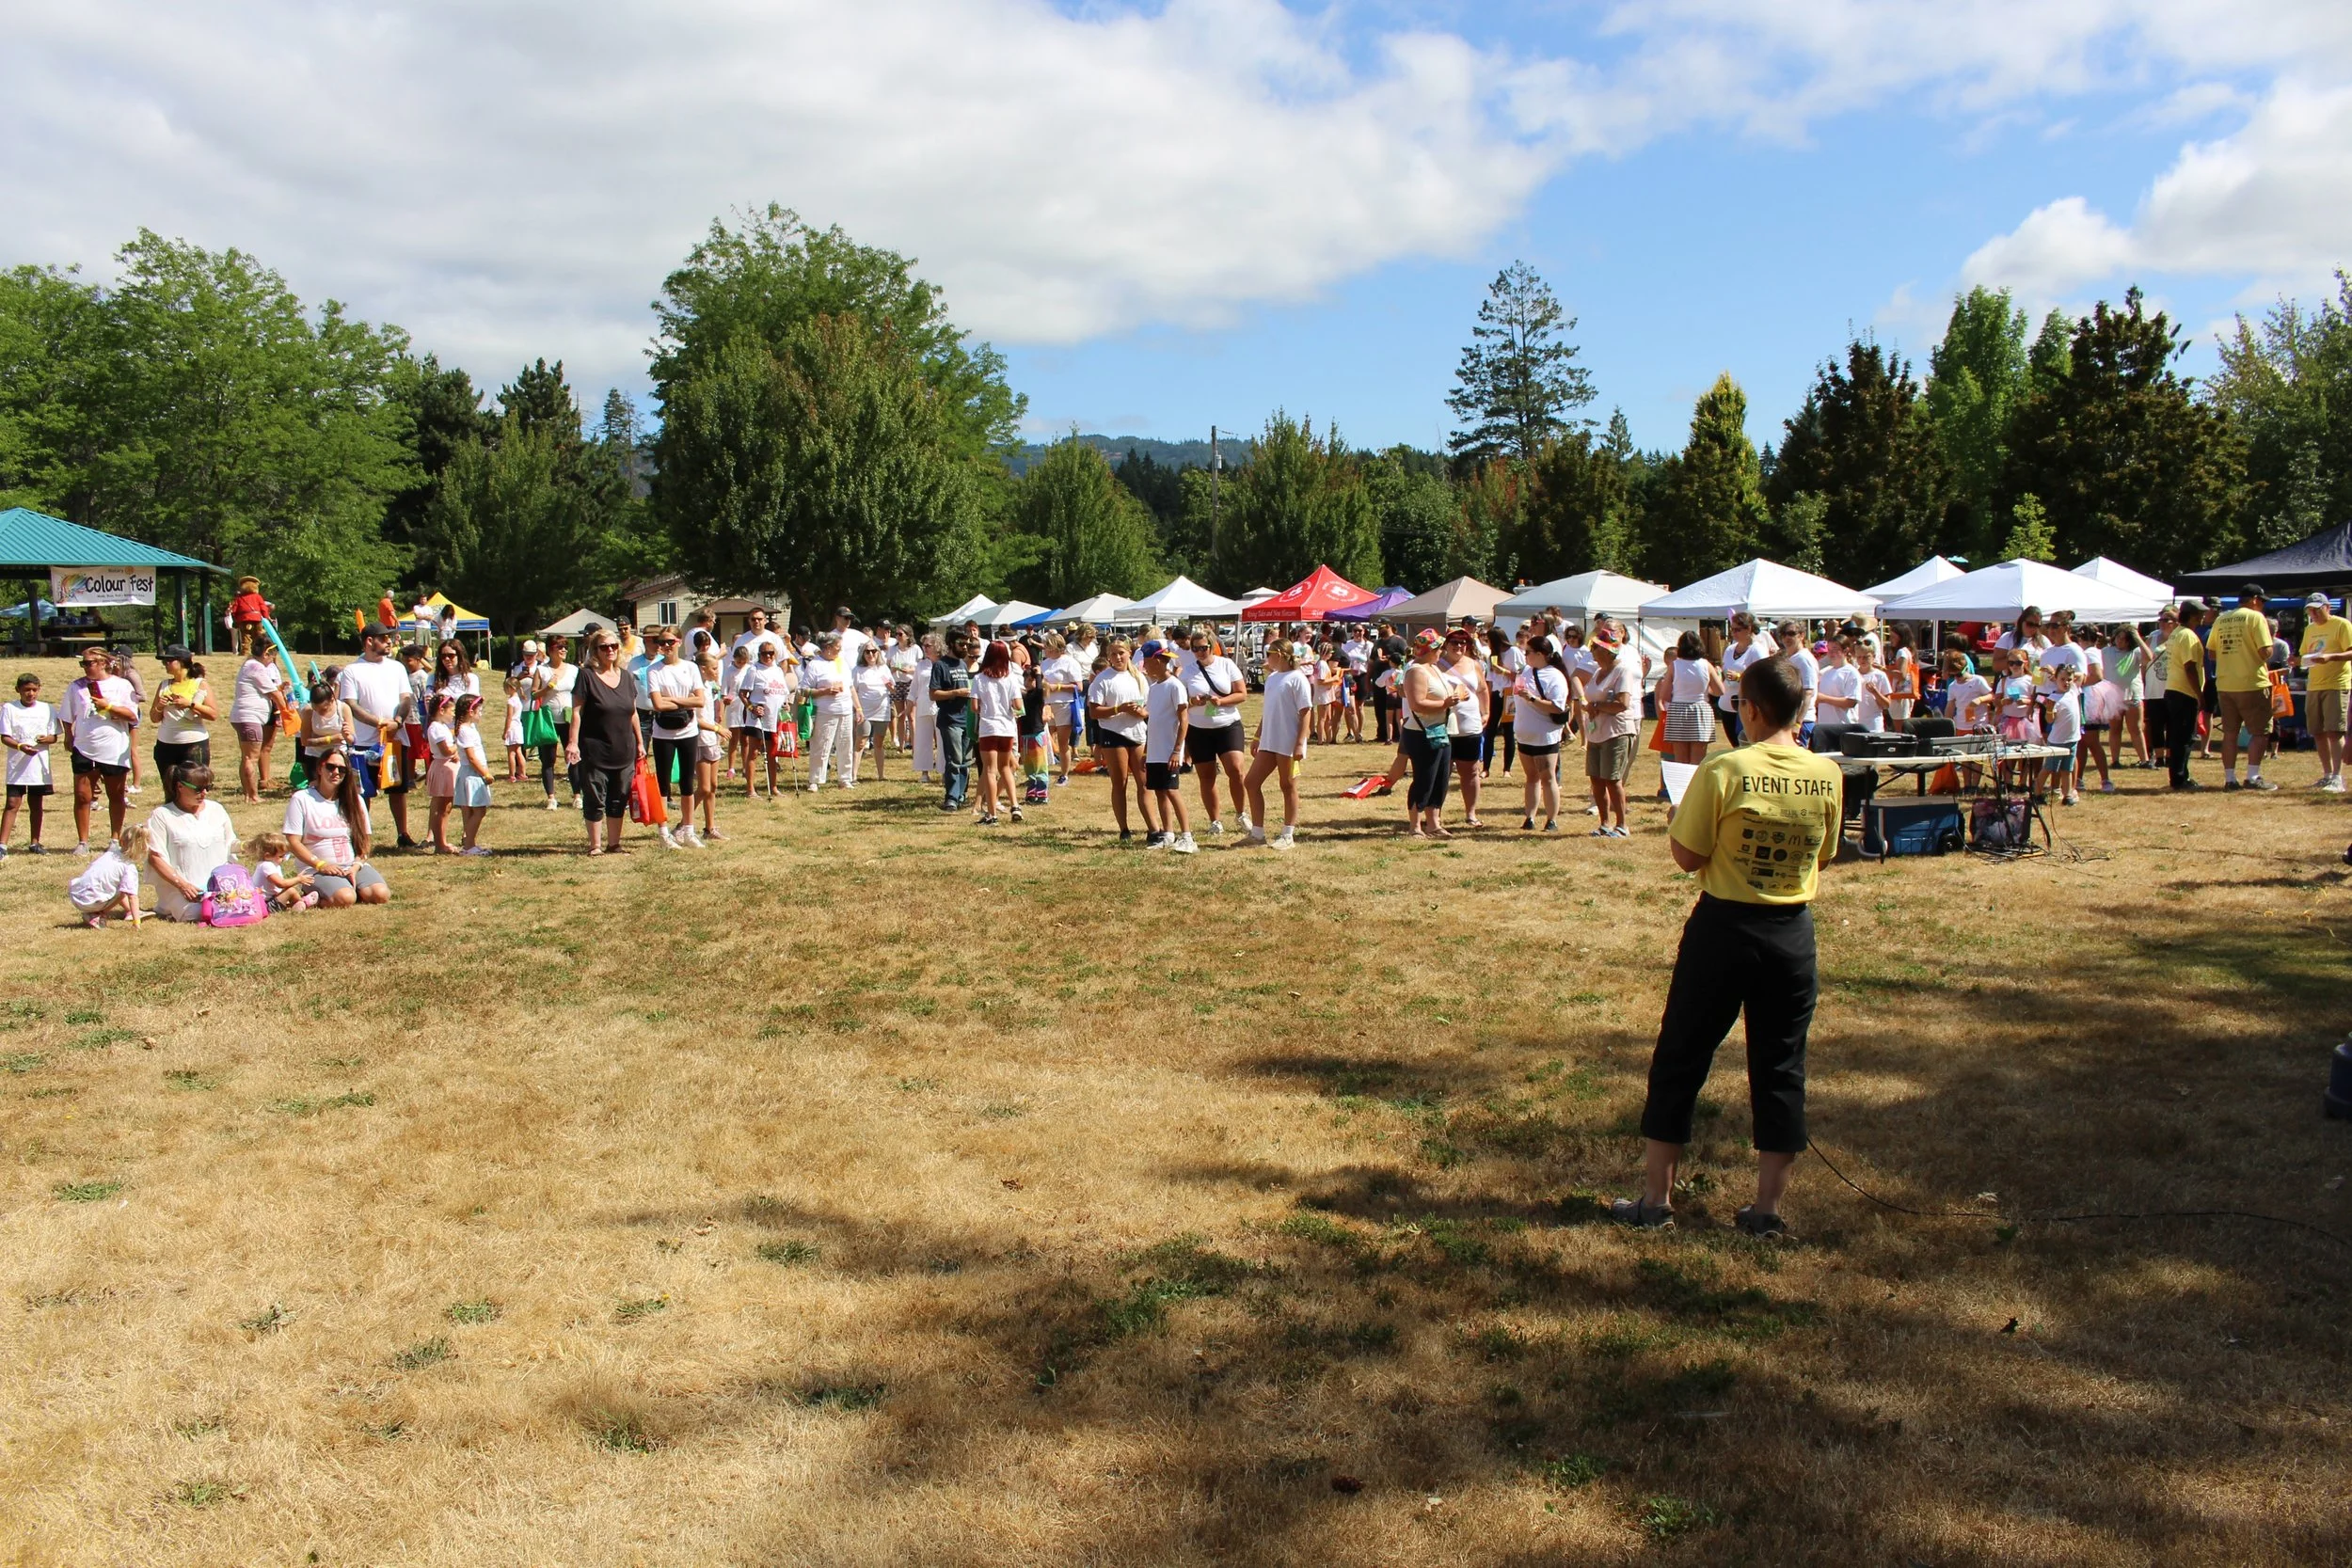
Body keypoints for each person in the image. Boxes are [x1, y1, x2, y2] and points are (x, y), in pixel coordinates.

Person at [1609, 654, 1841, 1240]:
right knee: (1781, 1066)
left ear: (1752, 709)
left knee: (1681, 1056)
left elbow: (1687, 857)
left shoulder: (1724, 769)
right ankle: (1767, 1211)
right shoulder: (1827, 773)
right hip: (1791, 933)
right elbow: (1825, 854)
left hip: (1724, 930)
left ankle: (1655, 1200)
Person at [567, 630, 644, 855]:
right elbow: (576, 712)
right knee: (594, 796)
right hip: (595, 748)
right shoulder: (586, 675)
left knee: (619, 797)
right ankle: (595, 846)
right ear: (595, 651)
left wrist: (640, 742)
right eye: (604, 647)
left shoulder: (627, 677)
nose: (610, 650)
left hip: (624, 748)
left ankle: (614, 843)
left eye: (613, 646)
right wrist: (573, 742)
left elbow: (633, 713)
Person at [281, 749, 389, 907]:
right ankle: (317, 897)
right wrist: (321, 865)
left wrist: (356, 866)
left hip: (350, 866)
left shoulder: (356, 800)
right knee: (345, 898)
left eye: (342, 769)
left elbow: (365, 841)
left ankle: (349, 888)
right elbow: (293, 842)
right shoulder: (302, 799)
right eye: (330, 767)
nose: (336, 772)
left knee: (381, 895)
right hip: (316, 870)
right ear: (319, 769)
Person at [339, 624, 413, 846]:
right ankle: (361, 837)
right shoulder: (352, 671)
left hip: (395, 738)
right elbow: (351, 704)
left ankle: (403, 834)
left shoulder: (397, 667)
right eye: (384, 638)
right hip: (363, 741)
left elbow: (406, 698)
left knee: (397, 789)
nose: (390, 641)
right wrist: (378, 722)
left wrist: (398, 722)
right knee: (364, 793)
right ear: (369, 641)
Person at [145, 762, 240, 921]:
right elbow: (155, 857)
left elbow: (230, 843)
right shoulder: (161, 815)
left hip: (220, 886)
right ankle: (169, 908)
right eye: (198, 789)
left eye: (208, 787)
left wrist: (250, 846)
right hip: (183, 890)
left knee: (239, 905)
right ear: (180, 786)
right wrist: (183, 885)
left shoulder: (216, 809)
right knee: (198, 913)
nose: (204, 793)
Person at [63, 647, 135, 854]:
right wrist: (69, 735)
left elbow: (132, 715)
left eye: (89, 663)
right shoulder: (76, 687)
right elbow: (66, 715)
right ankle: (83, 841)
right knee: (82, 796)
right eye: (82, 663)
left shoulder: (122, 685)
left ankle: (114, 838)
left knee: (116, 794)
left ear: (103, 663)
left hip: (113, 747)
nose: (85, 667)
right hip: (84, 747)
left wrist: (109, 706)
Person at [1243, 639, 1312, 847]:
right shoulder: (1272, 678)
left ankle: (1287, 834)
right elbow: (1268, 711)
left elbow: (1306, 711)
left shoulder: (1297, 678)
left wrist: (1300, 743)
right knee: (1251, 782)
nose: (1266, 658)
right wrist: (1257, 736)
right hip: (1269, 740)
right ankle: (1257, 833)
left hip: (1288, 740)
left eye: (1269, 653)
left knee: (1287, 784)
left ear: (1279, 654)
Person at [1179, 630, 1250, 834]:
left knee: (1236, 770)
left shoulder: (1226, 665)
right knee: (1207, 776)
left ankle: (1241, 813)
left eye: (1203, 648)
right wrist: (1193, 701)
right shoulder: (1188, 671)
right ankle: (1215, 821)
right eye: (1195, 649)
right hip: (1199, 729)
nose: (1200, 652)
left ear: (1212, 646)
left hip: (1228, 724)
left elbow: (1242, 694)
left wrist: (1222, 701)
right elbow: (1181, 701)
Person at [1397, 629, 1460, 839]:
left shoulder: (1434, 668)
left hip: (1441, 730)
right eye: (1440, 647)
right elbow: (1417, 703)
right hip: (1422, 732)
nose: (1442, 651)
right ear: (1431, 649)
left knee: (1441, 778)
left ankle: (1434, 823)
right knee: (1424, 777)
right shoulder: (1416, 671)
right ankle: (1415, 825)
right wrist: (1446, 703)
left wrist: (1457, 695)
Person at [1087, 636, 1150, 842]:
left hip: (1137, 733)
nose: (1118, 657)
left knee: (1144, 783)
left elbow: (1148, 707)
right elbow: (1094, 712)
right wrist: (1118, 709)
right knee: (1120, 783)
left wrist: (1141, 713)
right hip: (1114, 734)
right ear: (1108, 656)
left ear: (1129, 653)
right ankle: (1124, 829)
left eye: (1121, 653)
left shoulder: (1139, 677)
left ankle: (1152, 827)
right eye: (1113, 654)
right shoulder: (1102, 679)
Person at [644, 627, 706, 832]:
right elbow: (657, 705)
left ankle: (688, 828)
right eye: (661, 642)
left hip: (688, 730)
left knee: (687, 782)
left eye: (670, 642)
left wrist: (672, 700)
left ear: (679, 642)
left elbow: (700, 700)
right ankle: (663, 831)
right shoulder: (653, 670)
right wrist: (685, 702)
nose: (666, 646)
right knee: (663, 782)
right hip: (663, 732)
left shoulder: (690, 668)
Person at [1512, 635, 1573, 832]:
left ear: (1540, 654)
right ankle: (1529, 817)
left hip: (1544, 735)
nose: (1525, 655)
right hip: (1524, 734)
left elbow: (1557, 707)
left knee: (1547, 777)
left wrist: (1532, 699)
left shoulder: (1555, 676)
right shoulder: (1526, 671)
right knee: (1531, 777)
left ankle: (1551, 819)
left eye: (1528, 652)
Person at [1139, 640, 1195, 852]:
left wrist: (1176, 750)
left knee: (1172, 791)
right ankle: (1168, 833)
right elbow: (1153, 721)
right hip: (1155, 751)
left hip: (1169, 750)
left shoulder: (1175, 686)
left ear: (1158, 661)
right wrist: (1146, 751)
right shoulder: (1154, 688)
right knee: (1160, 792)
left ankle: (1187, 836)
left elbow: (1184, 719)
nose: (1144, 665)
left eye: (1146, 661)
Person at [1583, 628, 1640, 837]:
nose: (1592, 652)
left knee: (1612, 779)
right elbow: (1591, 696)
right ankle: (1604, 823)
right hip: (1596, 731)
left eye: (1596, 648)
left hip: (1617, 731)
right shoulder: (1598, 673)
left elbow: (1622, 703)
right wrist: (1589, 705)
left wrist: (1597, 705)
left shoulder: (1622, 671)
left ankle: (1622, 825)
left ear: (1608, 651)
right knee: (1596, 779)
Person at [2298, 593, 2352, 792]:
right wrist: (2297, 661)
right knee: (2318, 731)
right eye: (2310, 610)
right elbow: (2305, 654)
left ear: (2327, 607)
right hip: (2314, 684)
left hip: (2336, 684)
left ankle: (2338, 777)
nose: (2314, 614)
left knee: (2334, 730)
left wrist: (2331, 657)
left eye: (2317, 609)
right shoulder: (2310, 628)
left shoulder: (2342, 624)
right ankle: (2327, 774)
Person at [3, 673, 58, 855]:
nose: (31, 693)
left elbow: (54, 736)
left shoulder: (47, 709)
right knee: (12, 803)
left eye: (34, 690)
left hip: (38, 765)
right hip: (17, 765)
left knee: (36, 804)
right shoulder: (9, 708)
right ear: (18, 690)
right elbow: (5, 737)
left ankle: (35, 842)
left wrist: (47, 739)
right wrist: (20, 746)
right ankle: (3, 844)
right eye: (27, 690)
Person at [971, 640, 1024, 825]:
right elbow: (1018, 705)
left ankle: (992, 814)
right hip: (1007, 728)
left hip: (988, 728)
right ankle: (1015, 805)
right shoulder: (1011, 679)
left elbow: (974, 706)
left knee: (990, 771)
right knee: (1005, 767)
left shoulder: (979, 679)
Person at [1440, 629, 1489, 826]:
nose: (1458, 646)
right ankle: (1435, 815)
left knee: (1470, 771)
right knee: (1442, 772)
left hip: (1470, 725)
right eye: (1454, 641)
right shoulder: (1436, 665)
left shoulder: (1474, 665)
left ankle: (1471, 813)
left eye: (1463, 642)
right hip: (1444, 725)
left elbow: (1483, 689)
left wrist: (1485, 712)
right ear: (1446, 644)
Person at [2159, 601, 2210, 791]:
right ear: (2191, 615)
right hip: (2184, 692)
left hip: (2173, 689)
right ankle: (2179, 778)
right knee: (2184, 738)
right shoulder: (2188, 636)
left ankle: (2179, 775)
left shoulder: (2176, 634)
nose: (2202, 617)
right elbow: (2190, 668)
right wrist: (2200, 695)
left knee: (2176, 737)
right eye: (2199, 614)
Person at [228, 641, 285, 802]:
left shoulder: (249, 665)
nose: (272, 661)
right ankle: (253, 796)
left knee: (246, 757)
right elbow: (274, 693)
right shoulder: (256, 667)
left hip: (243, 716)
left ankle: (248, 794)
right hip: (250, 717)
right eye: (272, 657)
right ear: (266, 654)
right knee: (251, 758)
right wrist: (287, 710)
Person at [148, 646, 215, 776]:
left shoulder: (199, 684)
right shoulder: (164, 685)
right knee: (170, 789)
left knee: (194, 787)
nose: (165, 664)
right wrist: (160, 706)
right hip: (166, 745)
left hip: (194, 745)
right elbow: (154, 718)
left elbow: (213, 714)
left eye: (169, 661)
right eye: (164, 662)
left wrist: (190, 704)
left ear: (182, 662)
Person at [532, 634, 580, 809]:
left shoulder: (574, 670)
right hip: (548, 720)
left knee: (573, 757)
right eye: (560, 647)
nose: (564, 650)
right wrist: (548, 687)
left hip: (569, 719)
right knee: (548, 759)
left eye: (566, 646)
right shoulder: (542, 670)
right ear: (551, 650)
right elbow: (534, 694)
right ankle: (551, 797)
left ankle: (577, 795)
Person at [1659, 630, 1721, 765]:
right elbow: (1719, 690)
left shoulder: (1674, 665)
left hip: (1678, 710)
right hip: (1700, 709)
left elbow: (1665, 695)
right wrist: (1705, 690)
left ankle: (1682, 786)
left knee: (1681, 761)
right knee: (1697, 762)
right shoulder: (1706, 665)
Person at [739, 642, 791, 800]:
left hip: (775, 718)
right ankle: (750, 789)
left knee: (772, 753)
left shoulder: (778, 670)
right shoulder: (753, 670)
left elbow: (783, 693)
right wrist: (751, 708)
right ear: (759, 654)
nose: (768, 656)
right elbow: (742, 693)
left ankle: (773, 787)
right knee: (754, 752)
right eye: (764, 653)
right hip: (757, 719)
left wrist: (786, 704)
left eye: (771, 653)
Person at [68, 822, 147, 927]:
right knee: (123, 889)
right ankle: (97, 914)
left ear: (121, 841)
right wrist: (137, 923)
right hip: (91, 902)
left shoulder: (109, 854)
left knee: (118, 886)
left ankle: (127, 911)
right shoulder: (128, 867)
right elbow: (132, 897)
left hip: (77, 894)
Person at [689, 649, 729, 844]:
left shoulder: (710, 686)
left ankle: (710, 827)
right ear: (703, 669)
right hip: (701, 740)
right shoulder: (696, 690)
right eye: (713, 668)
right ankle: (683, 824)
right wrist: (717, 728)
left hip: (711, 739)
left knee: (712, 786)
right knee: (703, 788)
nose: (716, 671)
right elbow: (696, 720)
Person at [451, 693, 494, 855]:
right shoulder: (464, 730)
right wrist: (485, 773)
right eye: (479, 710)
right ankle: (469, 845)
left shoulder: (469, 728)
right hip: (473, 773)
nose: (481, 713)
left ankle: (470, 844)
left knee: (472, 810)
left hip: (473, 772)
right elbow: (471, 756)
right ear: (470, 711)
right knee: (479, 810)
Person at [1715, 612, 1765, 748]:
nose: (1734, 633)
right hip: (1727, 704)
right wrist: (1719, 673)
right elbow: (1725, 670)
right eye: (1732, 629)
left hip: (1746, 706)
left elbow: (1762, 677)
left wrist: (1740, 676)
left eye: (1738, 629)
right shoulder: (1730, 649)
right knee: (1735, 746)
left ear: (1749, 629)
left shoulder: (1757, 650)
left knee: (1746, 745)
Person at [1040, 633, 1083, 786]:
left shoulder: (1069, 662)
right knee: (1044, 741)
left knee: (1063, 743)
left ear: (1055, 647)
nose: (1044, 648)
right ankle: (1041, 774)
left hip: (1064, 704)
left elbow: (1079, 686)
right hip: (1047, 704)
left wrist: (1057, 687)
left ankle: (1064, 774)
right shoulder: (1045, 663)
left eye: (1047, 646)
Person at [424, 691, 462, 853]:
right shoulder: (436, 728)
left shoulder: (441, 727)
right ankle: (440, 844)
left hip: (446, 767)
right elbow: (446, 750)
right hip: (443, 769)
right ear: (441, 710)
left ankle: (442, 842)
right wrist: (457, 746)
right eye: (451, 711)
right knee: (442, 808)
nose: (453, 715)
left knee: (446, 807)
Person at [2043, 665, 2085, 806]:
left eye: (2069, 679)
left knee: (2067, 769)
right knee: (2048, 768)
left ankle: (2067, 795)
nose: (2066, 682)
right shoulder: (2053, 698)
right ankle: (2036, 792)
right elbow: (2050, 720)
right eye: (2062, 679)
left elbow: (2081, 675)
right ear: (2055, 679)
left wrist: (2060, 673)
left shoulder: (2073, 690)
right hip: (2057, 740)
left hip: (2073, 738)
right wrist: (2049, 710)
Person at [852, 641, 895, 781]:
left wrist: (890, 687)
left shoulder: (883, 669)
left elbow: (893, 688)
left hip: (882, 710)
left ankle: (881, 775)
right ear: (863, 654)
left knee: (879, 742)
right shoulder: (858, 670)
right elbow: (853, 690)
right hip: (864, 711)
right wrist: (856, 709)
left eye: (874, 651)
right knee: (861, 741)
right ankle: (853, 776)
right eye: (867, 652)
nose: (871, 654)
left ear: (878, 653)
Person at [251, 832, 317, 911]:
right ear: (267, 856)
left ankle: (296, 904)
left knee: (289, 890)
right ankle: (303, 903)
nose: (283, 859)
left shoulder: (271, 864)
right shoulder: (267, 866)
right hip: (264, 906)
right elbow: (281, 884)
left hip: (268, 900)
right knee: (291, 890)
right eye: (281, 856)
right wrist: (298, 879)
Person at [1883, 625, 1918, 731]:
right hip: (1904, 693)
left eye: (1893, 637)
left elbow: (1901, 675)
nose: (1891, 640)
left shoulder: (1901, 652)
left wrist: (1882, 669)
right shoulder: (1908, 650)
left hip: (1900, 695)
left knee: (1900, 728)